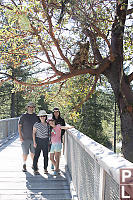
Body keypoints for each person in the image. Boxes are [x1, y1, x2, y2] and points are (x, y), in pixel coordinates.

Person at [18, 101, 39, 172]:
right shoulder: (23, 116)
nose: (31, 108)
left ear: (34, 108)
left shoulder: (36, 117)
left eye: (32, 107)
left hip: (34, 139)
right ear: (27, 108)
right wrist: (20, 136)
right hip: (25, 138)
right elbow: (19, 126)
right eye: (30, 107)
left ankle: (34, 165)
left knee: (33, 153)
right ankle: (24, 164)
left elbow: (39, 126)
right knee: (25, 153)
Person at [32, 110, 49, 175]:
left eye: (44, 116)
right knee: (36, 156)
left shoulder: (48, 124)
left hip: (45, 141)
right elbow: (33, 133)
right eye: (41, 116)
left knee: (45, 156)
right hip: (38, 141)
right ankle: (35, 169)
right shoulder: (36, 124)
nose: (42, 117)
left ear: (45, 117)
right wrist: (34, 142)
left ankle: (45, 169)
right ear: (39, 117)